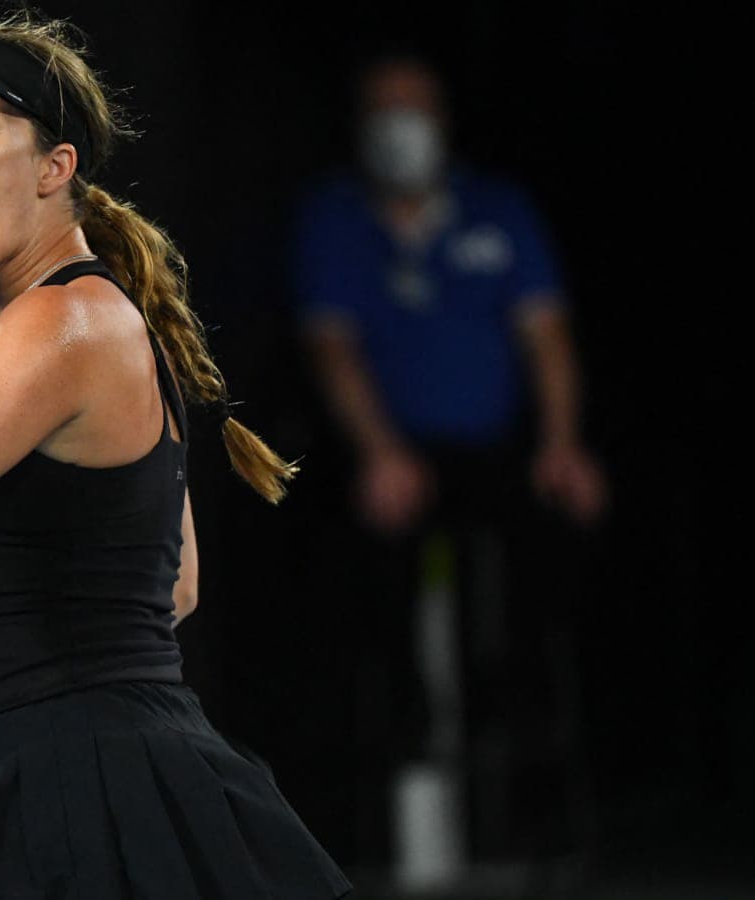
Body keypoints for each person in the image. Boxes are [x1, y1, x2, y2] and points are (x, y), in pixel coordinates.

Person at [0, 4, 350, 897]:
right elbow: (169, 585)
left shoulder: (71, 321)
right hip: (93, 765)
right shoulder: (88, 318)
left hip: (84, 792)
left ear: (56, 169)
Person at [291, 48, 607, 884]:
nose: (402, 127)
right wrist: (380, 452)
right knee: (366, 587)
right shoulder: (335, 219)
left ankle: (542, 825)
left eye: (416, 107)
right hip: (388, 453)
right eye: (384, 109)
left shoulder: (498, 211)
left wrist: (562, 442)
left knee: (538, 579)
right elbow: (334, 352)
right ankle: (374, 822)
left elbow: (547, 339)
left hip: (495, 452)